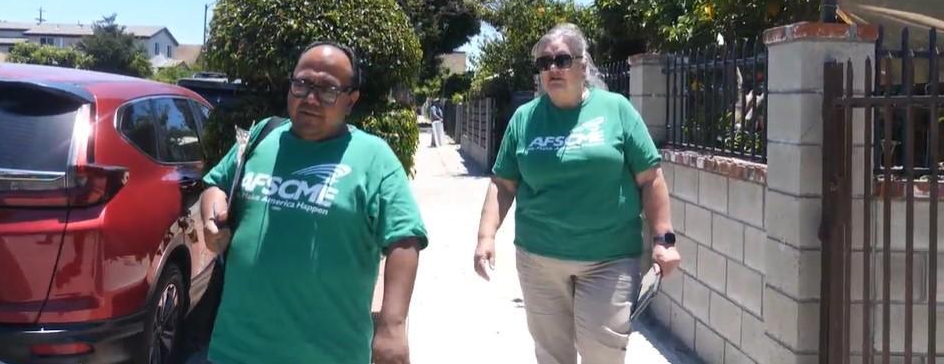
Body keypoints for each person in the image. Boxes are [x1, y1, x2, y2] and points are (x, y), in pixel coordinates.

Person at [201, 41, 428, 364]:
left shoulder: (373, 157)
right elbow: (215, 185)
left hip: (329, 353)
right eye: (302, 84)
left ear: (351, 100)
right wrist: (212, 217)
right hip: (234, 349)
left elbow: (404, 237)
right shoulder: (261, 137)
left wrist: (392, 326)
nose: (310, 98)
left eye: (327, 89)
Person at [472, 23, 681, 364]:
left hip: (609, 260)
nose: (552, 69)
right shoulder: (524, 120)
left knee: (604, 353)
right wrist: (485, 237)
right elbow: (503, 184)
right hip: (539, 259)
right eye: (544, 63)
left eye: (562, 59)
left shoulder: (617, 110)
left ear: (584, 66)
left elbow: (651, 179)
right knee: (552, 355)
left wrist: (664, 240)